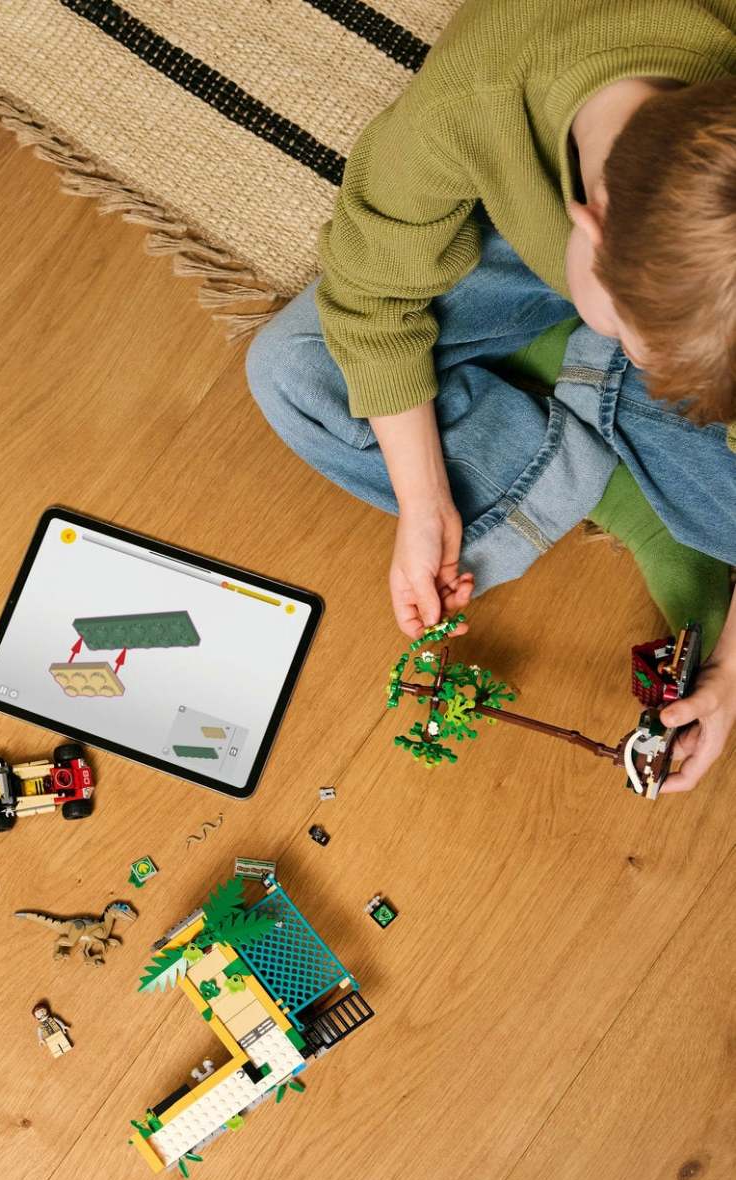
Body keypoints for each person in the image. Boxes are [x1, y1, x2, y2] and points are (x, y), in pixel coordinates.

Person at [248, 0, 736, 792]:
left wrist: (730, 673)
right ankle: (629, 478)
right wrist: (422, 498)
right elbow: (367, 293)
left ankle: (590, 403)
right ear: (589, 224)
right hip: (512, 232)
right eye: (628, 339)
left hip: (640, 262)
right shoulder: (478, 95)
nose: (640, 359)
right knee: (294, 370)